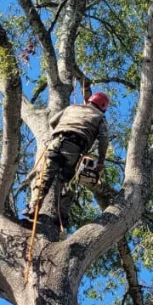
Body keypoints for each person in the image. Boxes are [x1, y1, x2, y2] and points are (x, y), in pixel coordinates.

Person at [26, 91, 110, 221]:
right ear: (103, 106)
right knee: (69, 182)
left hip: (56, 143)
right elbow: (104, 138)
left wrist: (61, 128)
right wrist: (101, 160)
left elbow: (53, 121)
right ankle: (62, 216)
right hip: (74, 148)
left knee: (45, 176)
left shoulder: (72, 107)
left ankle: (33, 207)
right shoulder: (99, 116)